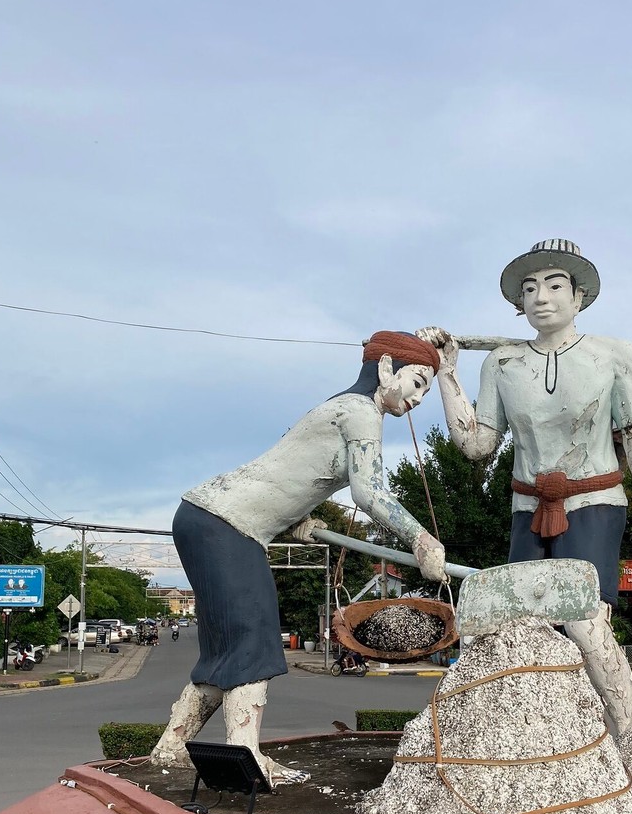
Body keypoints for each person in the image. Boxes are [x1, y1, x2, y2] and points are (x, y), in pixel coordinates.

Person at [420, 239, 632, 744]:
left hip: (593, 501)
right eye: (529, 289)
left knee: (587, 623)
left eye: (554, 285)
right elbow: (478, 445)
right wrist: (447, 372)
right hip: (527, 505)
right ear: (517, 303)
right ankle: (534, 738)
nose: (540, 297)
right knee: (515, 625)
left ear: (580, 295)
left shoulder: (616, 356)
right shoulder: (501, 363)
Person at [151, 331, 446, 782]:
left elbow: (290, 470)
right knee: (254, 641)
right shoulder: (361, 412)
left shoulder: (335, 407)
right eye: (419, 382)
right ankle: (246, 759)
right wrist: (421, 539)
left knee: (227, 649)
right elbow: (369, 493)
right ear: (387, 368)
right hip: (228, 525)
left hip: (205, 516)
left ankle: (172, 744)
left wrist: (296, 521)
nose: (420, 398)